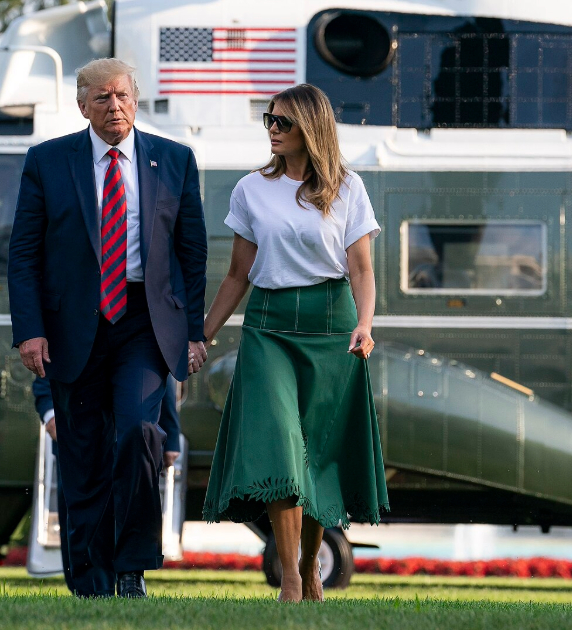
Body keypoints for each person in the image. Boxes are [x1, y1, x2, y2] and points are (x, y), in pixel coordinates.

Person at [8, 57, 208, 598]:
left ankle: (132, 567)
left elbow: (192, 253)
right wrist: (29, 330)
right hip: (74, 325)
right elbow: (23, 254)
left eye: (121, 95)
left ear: (135, 97)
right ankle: (89, 577)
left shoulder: (175, 159)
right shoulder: (47, 162)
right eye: (101, 98)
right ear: (82, 106)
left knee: (140, 433)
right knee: (83, 452)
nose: (113, 106)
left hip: (144, 323)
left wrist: (194, 332)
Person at [199, 84, 390, 603]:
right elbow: (237, 274)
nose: (273, 129)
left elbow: (362, 269)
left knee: (314, 459)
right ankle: (288, 577)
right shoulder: (250, 189)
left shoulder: (348, 187)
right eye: (269, 120)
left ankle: (309, 568)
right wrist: (204, 336)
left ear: (311, 127)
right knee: (282, 453)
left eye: (282, 121)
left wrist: (366, 324)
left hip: (333, 328)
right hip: (268, 327)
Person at [33, 374, 182, 594]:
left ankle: (127, 577)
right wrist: (52, 415)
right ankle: (89, 585)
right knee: (78, 508)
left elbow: (159, 380)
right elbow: (47, 373)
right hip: (76, 432)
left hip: (123, 442)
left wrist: (171, 435)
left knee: (122, 506)